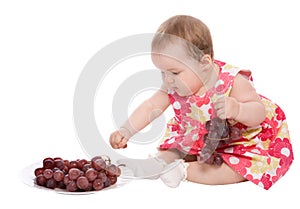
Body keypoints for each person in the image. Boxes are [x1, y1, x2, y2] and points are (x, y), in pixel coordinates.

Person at [109, 15, 294, 190]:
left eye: (174, 72)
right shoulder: (173, 85)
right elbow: (151, 106)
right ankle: (158, 164)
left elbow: (258, 113)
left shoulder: (233, 81)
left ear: (205, 63)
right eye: (162, 72)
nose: (168, 80)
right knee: (177, 148)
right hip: (200, 137)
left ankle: (183, 171)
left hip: (240, 141)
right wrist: (127, 130)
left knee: (240, 169)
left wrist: (237, 109)